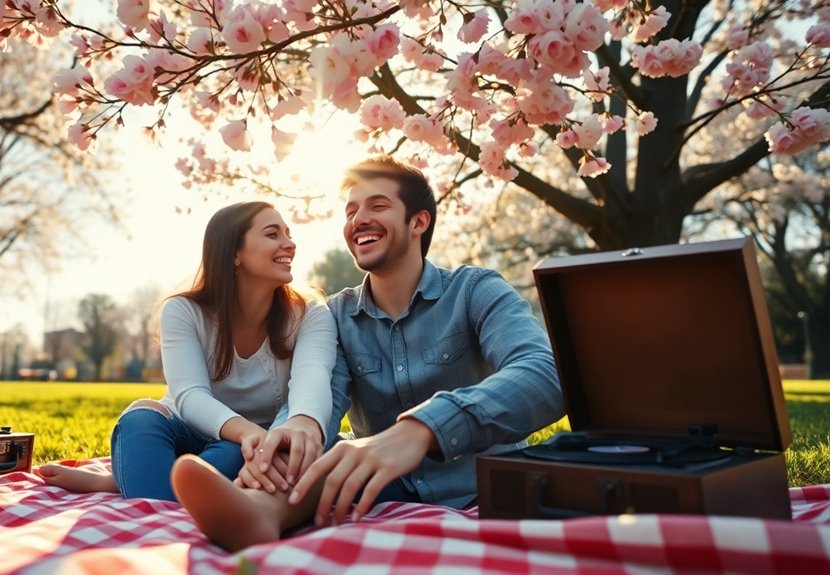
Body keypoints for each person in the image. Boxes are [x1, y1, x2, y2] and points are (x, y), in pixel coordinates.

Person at [170, 156, 566, 550]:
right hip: (384, 488)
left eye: (377, 205)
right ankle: (259, 512)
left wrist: (423, 429)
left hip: (487, 485)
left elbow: (545, 374)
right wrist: (291, 431)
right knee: (321, 446)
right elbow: (318, 398)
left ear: (419, 222)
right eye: (351, 210)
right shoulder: (337, 316)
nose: (358, 219)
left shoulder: (475, 290)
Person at [37, 202, 337, 500]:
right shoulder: (183, 311)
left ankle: (128, 481)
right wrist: (248, 433)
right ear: (234, 253)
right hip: (191, 429)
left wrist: (273, 436)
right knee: (139, 422)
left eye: (288, 233)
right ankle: (144, 479)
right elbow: (190, 396)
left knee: (232, 455)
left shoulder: (311, 313)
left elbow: (313, 377)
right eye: (273, 234)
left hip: (251, 446)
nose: (290, 244)